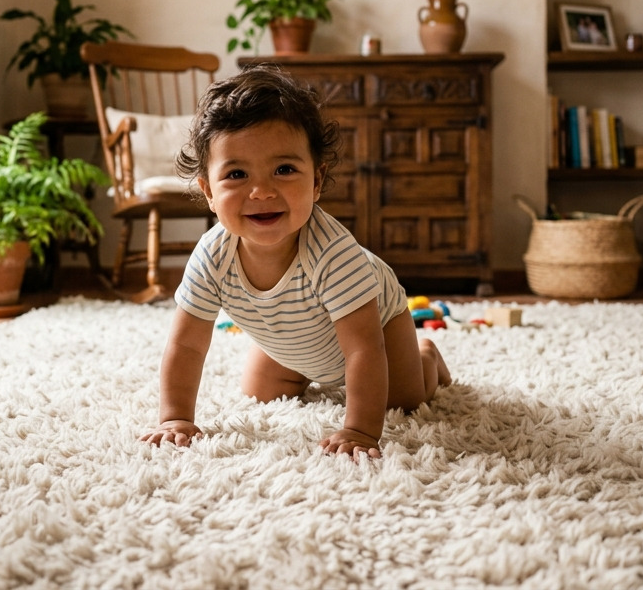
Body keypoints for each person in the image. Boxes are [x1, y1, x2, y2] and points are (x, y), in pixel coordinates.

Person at [138, 66, 452, 459]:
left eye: (284, 170)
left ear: (317, 181)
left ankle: (427, 356)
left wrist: (359, 430)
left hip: (376, 327)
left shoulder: (335, 255)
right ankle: (303, 366)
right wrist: (175, 418)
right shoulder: (211, 256)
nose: (262, 191)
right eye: (236, 174)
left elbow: (362, 351)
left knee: (403, 399)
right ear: (209, 192)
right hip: (294, 334)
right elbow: (185, 345)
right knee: (259, 393)